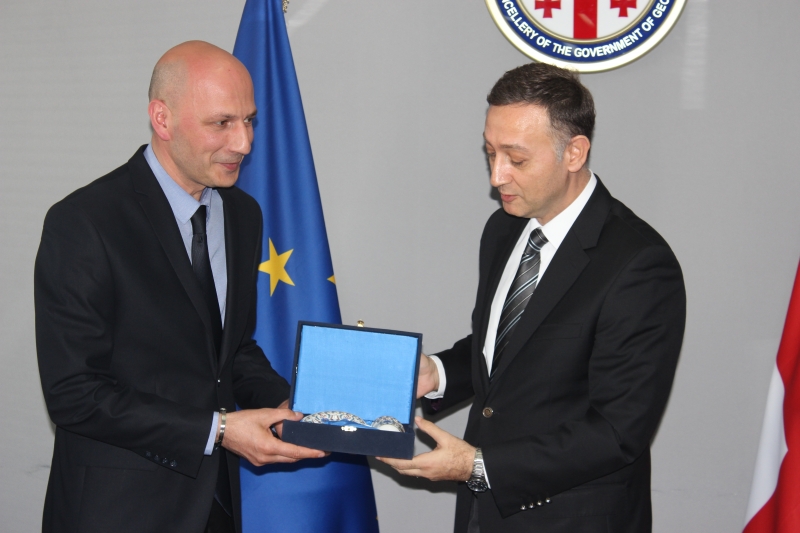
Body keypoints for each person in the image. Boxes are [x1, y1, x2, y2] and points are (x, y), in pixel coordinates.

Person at [380, 62, 686, 533]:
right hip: (483, 515)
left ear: (574, 153)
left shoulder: (639, 264)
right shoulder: (503, 228)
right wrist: (437, 373)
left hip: (572, 520)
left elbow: (618, 431)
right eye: (490, 153)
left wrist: (477, 466)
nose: (497, 176)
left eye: (516, 160)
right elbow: (510, 350)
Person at [34, 41, 325, 533]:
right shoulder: (84, 222)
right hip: (117, 512)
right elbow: (73, 393)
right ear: (162, 119)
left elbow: (229, 351)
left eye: (249, 120)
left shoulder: (242, 213)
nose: (244, 143)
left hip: (218, 507)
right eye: (222, 123)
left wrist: (281, 403)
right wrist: (221, 430)